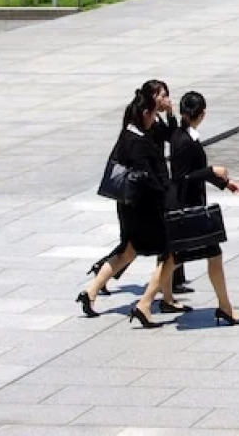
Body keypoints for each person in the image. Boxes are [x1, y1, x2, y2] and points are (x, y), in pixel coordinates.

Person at [77, 88, 177, 327]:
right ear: (145, 113)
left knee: (128, 251)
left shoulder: (128, 134)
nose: (155, 120)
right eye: (153, 115)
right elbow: (147, 176)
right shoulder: (138, 141)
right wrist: (166, 194)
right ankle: (146, 304)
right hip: (144, 207)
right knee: (170, 251)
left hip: (128, 205)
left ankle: (90, 292)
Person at [88, 80, 184, 295]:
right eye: (162, 95)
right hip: (143, 197)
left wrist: (170, 114)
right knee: (137, 247)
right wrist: (161, 192)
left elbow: (172, 136)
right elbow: (142, 169)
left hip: (149, 191)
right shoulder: (138, 133)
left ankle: (166, 292)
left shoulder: (151, 122)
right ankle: (105, 278)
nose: (166, 99)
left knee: (135, 248)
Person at [166, 92, 239, 325]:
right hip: (188, 208)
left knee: (177, 259)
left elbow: (194, 172)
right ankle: (225, 308)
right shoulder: (183, 139)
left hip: (190, 207)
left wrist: (223, 183)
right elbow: (183, 177)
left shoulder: (183, 135)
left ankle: (225, 307)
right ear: (202, 114)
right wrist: (212, 171)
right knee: (197, 256)